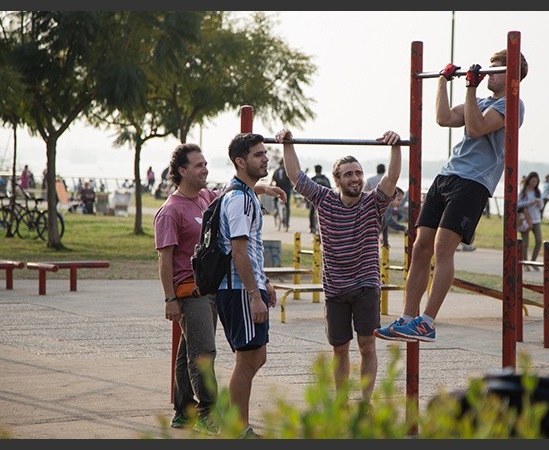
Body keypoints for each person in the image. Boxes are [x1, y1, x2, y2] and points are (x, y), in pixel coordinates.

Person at [375, 49, 528, 342]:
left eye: (497, 70)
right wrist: (443, 81)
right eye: (490, 67)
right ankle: (408, 318)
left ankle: (427, 322)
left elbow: (476, 128)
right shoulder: (481, 100)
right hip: (447, 176)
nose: (489, 73)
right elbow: (443, 118)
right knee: (420, 247)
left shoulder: (513, 104)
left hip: (473, 183)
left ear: (512, 78)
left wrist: (469, 87)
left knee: (443, 249)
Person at [154, 142, 283, 435]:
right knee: (204, 352)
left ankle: (184, 409)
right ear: (182, 171)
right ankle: (208, 413)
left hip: (212, 286)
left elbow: (232, 193)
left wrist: (264, 190)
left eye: (206, 164)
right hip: (190, 289)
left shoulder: (205, 198)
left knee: (191, 351)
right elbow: (165, 258)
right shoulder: (170, 211)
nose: (205, 169)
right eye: (198, 165)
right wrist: (170, 298)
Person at [275, 128, 402, 408]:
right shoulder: (325, 199)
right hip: (335, 287)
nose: (355, 178)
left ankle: (366, 402)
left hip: (366, 284)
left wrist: (395, 146)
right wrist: (288, 143)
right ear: (337, 180)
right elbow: (296, 177)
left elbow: (391, 178)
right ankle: (342, 400)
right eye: (348, 174)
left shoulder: (373, 202)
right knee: (340, 349)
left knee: (367, 345)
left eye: (358, 173)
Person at [217, 132, 280, 439]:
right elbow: (239, 251)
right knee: (246, 358)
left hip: (248, 287)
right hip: (239, 289)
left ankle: (231, 419)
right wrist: (254, 294)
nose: (265, 158)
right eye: (258, 155)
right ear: (241, 162)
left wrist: (264, 281)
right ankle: (236, 428)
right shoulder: (239, 198)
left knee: (258, 356)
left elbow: (252, 250)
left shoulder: (247, 194)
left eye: (265, 153)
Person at [517, 171, 543, 271]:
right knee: (525, 243)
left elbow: (541, 206)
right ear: (528, 181)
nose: (534, 183)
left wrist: (538, 202)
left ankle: (533, 261)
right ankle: (525, 263)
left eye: (536, 182)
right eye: (532, 181)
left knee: (539, 240)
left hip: (536, 219)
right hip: (525, 220)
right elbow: (518, 204)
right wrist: (529, 202)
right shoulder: (523, 192)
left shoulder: (538, 192)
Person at [271, 159, 292, 232]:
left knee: (276, 201)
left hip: (278, 190)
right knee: (287, 206)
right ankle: (286, 225)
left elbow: (272, 181)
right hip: (286, 191)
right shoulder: (287, 171)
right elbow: (291, 180)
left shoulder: (276, 171)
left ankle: (276, 210)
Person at [309, 164, 331, 234]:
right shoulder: (325, 179)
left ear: (315, 170)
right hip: (325, 200)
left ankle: (312, 227)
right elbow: (330, 189)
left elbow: (308, 189)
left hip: (314, 199)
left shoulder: (313, 179)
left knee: (311, 212)